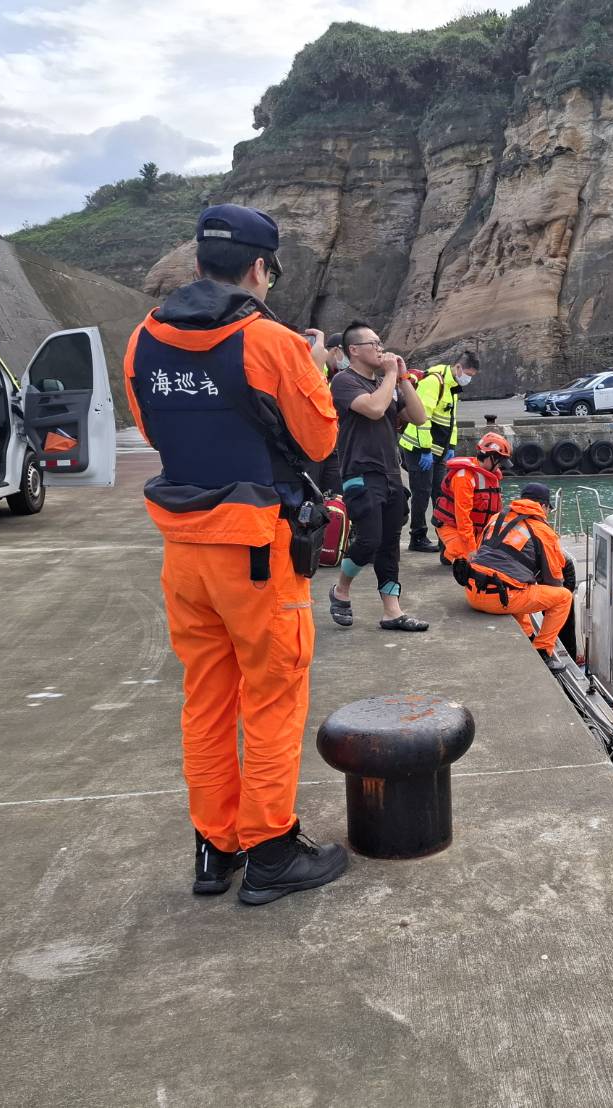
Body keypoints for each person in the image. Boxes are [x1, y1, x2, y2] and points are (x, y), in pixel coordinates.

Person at [123, 202, 347, 905]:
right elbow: (317, 442)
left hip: (183, 544)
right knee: (273, 696)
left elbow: (153, 430)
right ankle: (272, 851)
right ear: (260, 268)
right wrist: (308, 366)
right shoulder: (272, 343)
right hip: (256, 549)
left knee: (207, 700)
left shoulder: (141, 342)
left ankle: (214, 849)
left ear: (196, 264)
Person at [328, 321, 430, 632]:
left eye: (380, 342)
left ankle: (392, 611)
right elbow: (373, 409)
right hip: (360, 472)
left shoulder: (383, 384)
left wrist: (401, 378)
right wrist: (388, 376)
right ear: (354, 350)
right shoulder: (344, 382)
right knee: (369, 539)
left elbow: (418, 416)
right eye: (374, 343)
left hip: (390, 473)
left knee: (388, 545)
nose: (380, 348)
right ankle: (341, 590)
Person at [462, 481, 575, 670]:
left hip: (473, 590)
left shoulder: (497, 517)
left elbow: (481, 552)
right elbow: (554, 580)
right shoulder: (543, 531)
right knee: (563, 597)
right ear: (544, 506)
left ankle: (528, 633)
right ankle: (543, 651)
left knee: (518, 583)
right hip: (499, 599)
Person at [400, 353, 479, 552]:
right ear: (458, 368)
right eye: (468, 374)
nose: (469, 379)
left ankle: (444, 536)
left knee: (441, 492)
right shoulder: (435, 382)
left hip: (439, 451)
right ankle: (417, 537)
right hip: (419, 449)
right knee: (421, 492)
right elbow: (422, 418)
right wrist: (426, 450)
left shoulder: (452, 387)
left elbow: (451, 422)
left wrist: (451, 448)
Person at [433, 431, 510, 564]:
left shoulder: (492, 476)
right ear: (490, 457)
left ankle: (453, 551)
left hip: (477, 529)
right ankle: (449, 551)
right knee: (472, 563)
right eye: (500, 461)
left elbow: (497, 511)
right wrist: (471, 549)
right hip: (453, 525)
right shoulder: (464, 477)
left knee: (499, 557)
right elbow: (462, 517)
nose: (500, 466)